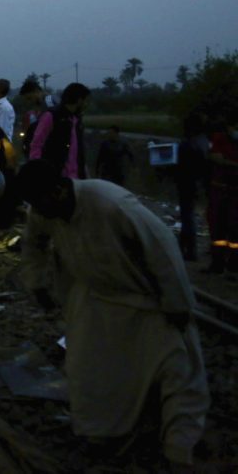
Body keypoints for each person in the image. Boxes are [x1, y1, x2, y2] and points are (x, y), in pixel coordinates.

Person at [17, 160, 209, 468]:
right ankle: (101, 432)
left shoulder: (110, 203)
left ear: (57, 190)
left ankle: (179, 448)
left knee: (177, 367)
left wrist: (178, 303)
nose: (36, 211)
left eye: (38, 202)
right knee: (88, 367)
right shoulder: (43, 208)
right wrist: (37, 283)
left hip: (146, 299)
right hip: (95, 296)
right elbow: (33, 245)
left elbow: (162, 249)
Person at [29, 82, 90, 179]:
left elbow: (78, 150)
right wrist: (38, 170)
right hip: (56, 176)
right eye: (85, 101)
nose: (86, 104)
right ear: (79, 100)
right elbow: (36, 145)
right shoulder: (51, 116)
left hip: (77, 178)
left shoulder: (77, 120)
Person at [206, 110, 238, 274]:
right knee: (217, 229)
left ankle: (233, 264)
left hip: (233, 194)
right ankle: (217, 263)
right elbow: (215, 157)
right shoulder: (219, 138)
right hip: (220, 191)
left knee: (235, 231)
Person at [175, 114, 209, 262]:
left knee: (187, 216)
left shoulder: (188, 143)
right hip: (197, 183)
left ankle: (189, 250)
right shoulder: (204, 141)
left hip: (187, 182)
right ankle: (185, 247)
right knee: (188, 215)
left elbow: (180, 164)